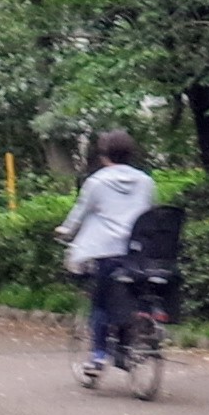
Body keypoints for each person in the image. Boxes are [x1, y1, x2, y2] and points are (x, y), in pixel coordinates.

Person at [55, 129, 154, 375]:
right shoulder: (145, 181)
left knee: (101, 304)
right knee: (131, 297)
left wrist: (64, 231)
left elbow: (80, 212)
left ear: (103, 155)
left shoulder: (97, 182)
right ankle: (131, 343)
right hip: (138, 254)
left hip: (107, 253)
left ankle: (98, 356)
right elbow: (149, 213)